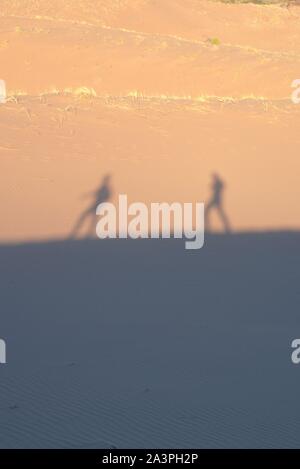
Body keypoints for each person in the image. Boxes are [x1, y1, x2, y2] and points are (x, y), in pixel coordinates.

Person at [69, 173, 112, 238]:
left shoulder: (105, 188)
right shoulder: (103, 188)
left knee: (89, 217)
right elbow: (95, 193)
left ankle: (86, 233)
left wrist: (102, 201)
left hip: (98, 205)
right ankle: (85, 232)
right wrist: (86, 195)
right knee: (90, 218)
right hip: (96, 204)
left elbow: (107, 196)